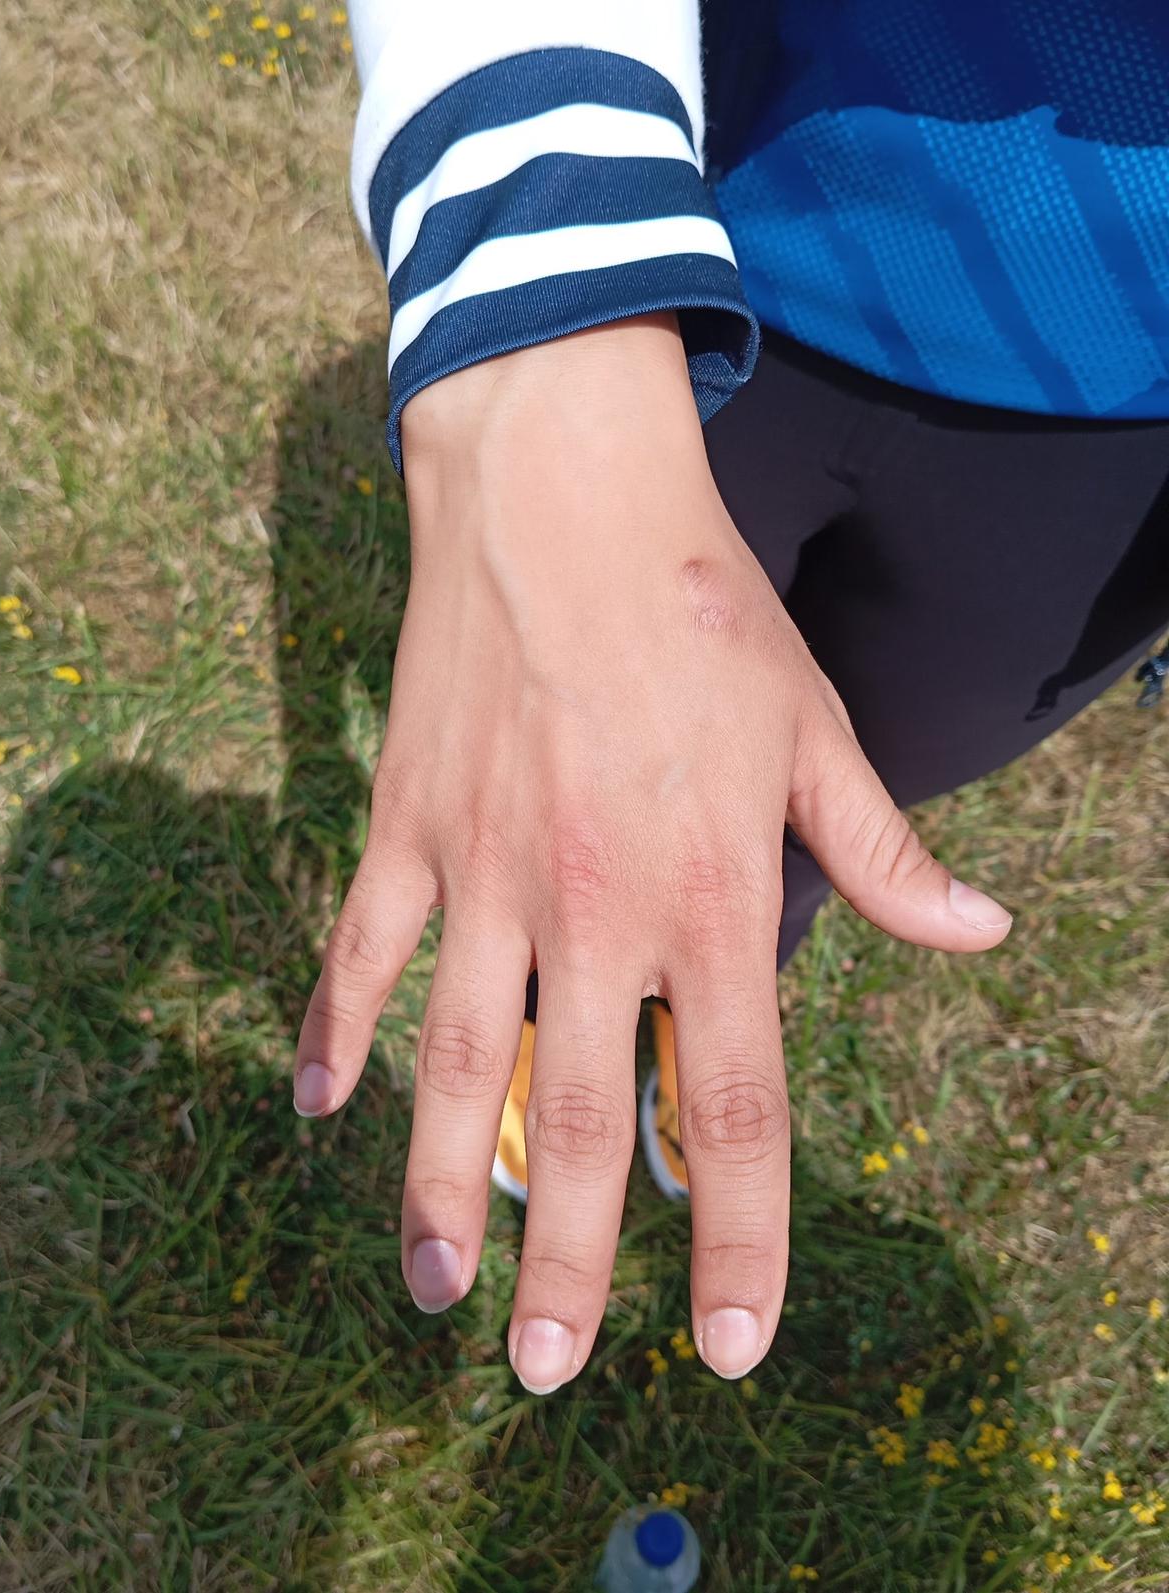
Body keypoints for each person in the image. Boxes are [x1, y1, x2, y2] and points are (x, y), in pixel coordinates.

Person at [293, 1, 1169, 1396]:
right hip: (721, 231)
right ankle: (548, 1010)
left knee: (844, 813)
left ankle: (717, 993)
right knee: (589, 785)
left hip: (1113, 426)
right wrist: (539, 292)